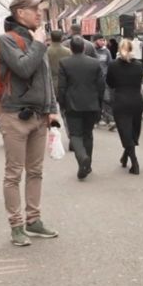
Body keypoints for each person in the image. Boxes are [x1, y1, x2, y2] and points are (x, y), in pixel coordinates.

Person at [0, 0, 61, 247]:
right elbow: (23, 69)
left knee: (36, 172)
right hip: (15, 115)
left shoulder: (38, 42)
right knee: (13, 173)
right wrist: (37, 45)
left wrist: (52, 109)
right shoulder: (6, 40)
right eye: (34, 9)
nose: (39, 14)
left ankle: (33, 220)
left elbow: (46, 80)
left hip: (38, 116)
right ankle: (16, 226)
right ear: (19, 13)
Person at [58, 37, 105, 180]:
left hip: (73, 104)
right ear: (84, 48)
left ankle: (83, 158)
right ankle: (87, 164)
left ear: (71, 49)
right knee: (88, 134)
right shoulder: (95, 63)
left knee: (75, 135)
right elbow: (101, 86)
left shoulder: (65, 63)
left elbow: (61, 87)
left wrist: (62, 105)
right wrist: (99, 104)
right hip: (91, 104)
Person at [107, 39, 143, 175]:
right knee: (133, 131)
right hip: (136, 100)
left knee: (125, 131)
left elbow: (110, 83)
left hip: (121, 100)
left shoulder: (113, 65)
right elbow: (139, 80)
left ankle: (134, 162)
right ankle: (125, 156)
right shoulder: (139, 65)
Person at [46, 30, 72, 95]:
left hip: (50, 82)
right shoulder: (68, 51)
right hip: (65, 83)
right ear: (61, 38)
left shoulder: (46, 51)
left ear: (51, 38)